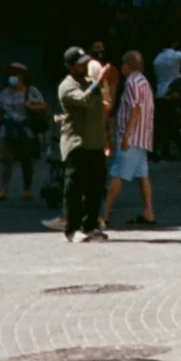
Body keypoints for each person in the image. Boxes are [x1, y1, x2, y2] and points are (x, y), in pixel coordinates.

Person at [49, 49, 109, 242]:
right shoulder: (66, 86)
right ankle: (72, 229)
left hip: (95, 143)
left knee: (95, 188)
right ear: (69, 66)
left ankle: (90, 225)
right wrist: (99, 82)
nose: (84, 66)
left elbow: (101, 110)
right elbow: (83, 100)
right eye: (79, 64)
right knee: (74, 188)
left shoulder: (89, 83)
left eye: (85, 62)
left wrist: (106, 140)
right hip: (77, 144)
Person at [102, 51, 158, 227]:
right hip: (143, 136)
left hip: (132, 137)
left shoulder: (132, 83)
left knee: (118, 174)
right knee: (143, 176)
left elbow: (135, 109)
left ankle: (103, 214)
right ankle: (149, 212)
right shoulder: (144, 82)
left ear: (127, 65)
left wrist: (126, 135)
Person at [0, 62, 49, 201]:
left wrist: (31, 107)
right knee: (6, 160)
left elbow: (44, 106)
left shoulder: (31, 91)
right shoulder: (4, 93)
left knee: (26, 160)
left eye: (15, 74)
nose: (12, 77)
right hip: (8, 129)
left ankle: (26, 187)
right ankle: (3, 188)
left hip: (25, 129)